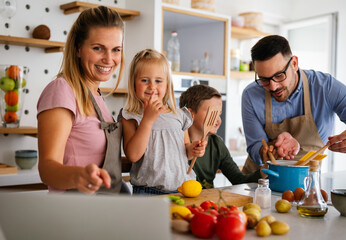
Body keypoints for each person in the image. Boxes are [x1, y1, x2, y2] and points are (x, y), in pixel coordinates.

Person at [37, 6, 130, 194]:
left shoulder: (95, 94)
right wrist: (79, 176)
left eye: (116, 50)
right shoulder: (61, 90)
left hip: (104, 210)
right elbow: (47, 168)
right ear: (78, 49)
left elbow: (98, 158)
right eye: (98, 48)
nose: (109, 59)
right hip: (75, 211)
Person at [241, 35, 346, 173]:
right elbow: (255, 147)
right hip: (260, 182)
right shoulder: (251, 95)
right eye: (264, 80)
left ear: (294, 63)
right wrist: (273, 148)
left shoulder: (326, 87)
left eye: (279, 76)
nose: (273, 87)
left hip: (306, 183)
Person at [120, 49, 206, 195]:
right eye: (144, 80)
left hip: (181, 191)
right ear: (134, 83)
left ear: (167, 85)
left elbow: (185, 150)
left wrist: (193, 149)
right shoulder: (131, 116)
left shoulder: (178, 114)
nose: (152, 87)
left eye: (158, 81)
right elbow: (133, 155)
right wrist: (147, 120)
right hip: (147, 192)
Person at [179, 85, 268, 189]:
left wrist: (264, 170)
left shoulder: (217, 144)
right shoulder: (177, 142)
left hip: (207, 202)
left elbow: (238, 180)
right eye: (212, 113)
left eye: (219, 114)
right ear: (190, 114)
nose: (218, 120)